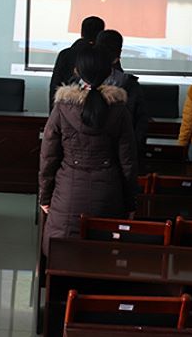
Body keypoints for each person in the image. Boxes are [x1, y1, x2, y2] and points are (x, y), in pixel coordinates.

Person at [39, 47, 137, 255]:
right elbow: (128, 163)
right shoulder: (120, 110)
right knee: (102, 256)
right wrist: (130, 203)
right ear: (109, 71)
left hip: (67, 194)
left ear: (77, 70)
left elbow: (48, 157)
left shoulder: (63, 107)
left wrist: (45, 197)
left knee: (63, 255)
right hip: (109, 195)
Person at [97, 30, 149, 160]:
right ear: (119, 53)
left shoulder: (80, 83)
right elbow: (140, 124)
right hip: (121, 155)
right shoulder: (130, 85)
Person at [49, 16, 105, 111]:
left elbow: (55, 85)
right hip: (95, 110)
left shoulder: (65, 54)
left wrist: (53, 112)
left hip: (66, 108)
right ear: (101, 34)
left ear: (82, 32)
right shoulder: (102, 55)